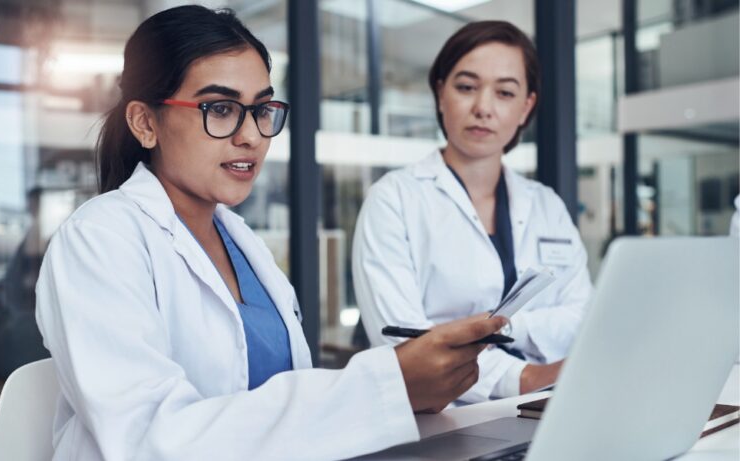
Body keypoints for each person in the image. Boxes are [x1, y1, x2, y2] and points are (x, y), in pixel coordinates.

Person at [34, 6, 509, 460]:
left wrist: (412, 390)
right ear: (145, 122)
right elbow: (150, 440)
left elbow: (285, 410)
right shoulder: (99, 240)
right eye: (220, 108)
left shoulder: (242, 242)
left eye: (262, 110)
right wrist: (383, 388)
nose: (252, 136)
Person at [352, 21, 594, 401]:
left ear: (526, 107)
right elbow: (404, 345)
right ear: (440, 94)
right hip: (441, 419)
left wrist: (502, 327)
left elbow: (582, 316)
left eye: (505, 92)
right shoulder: (393, 200)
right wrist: (525, 376)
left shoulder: (547, 205)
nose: (483, 108)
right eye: (466, 87)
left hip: (550, 406)